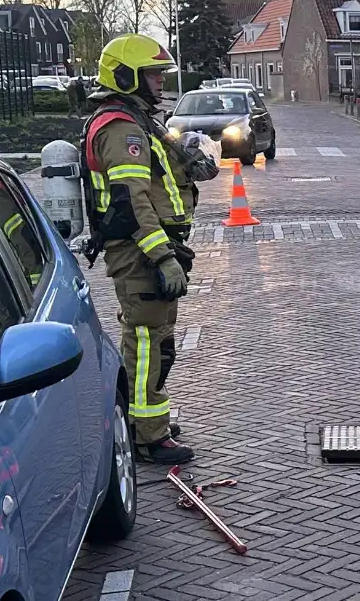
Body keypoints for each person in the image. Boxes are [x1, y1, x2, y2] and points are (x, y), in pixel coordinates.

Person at [79, 33, 218, 464]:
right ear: (126, 76)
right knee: (146, 343)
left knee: (158, 342)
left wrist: (191, 156)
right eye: (153, 74)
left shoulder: (139, 120)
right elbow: (131, 199)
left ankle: (148, 422)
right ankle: (147, 437)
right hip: (140, 252)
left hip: (155, 249)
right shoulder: (121, 128)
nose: (160, 82)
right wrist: (161, 256)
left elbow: (166, 172)